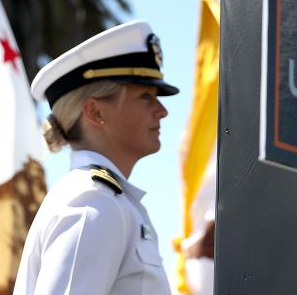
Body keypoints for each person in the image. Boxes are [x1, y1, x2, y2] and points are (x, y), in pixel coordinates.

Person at [14, 20, 179, 295]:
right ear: (95, 112)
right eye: (146, 96)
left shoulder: (110, 202)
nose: (162, 111)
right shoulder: (92, 203)